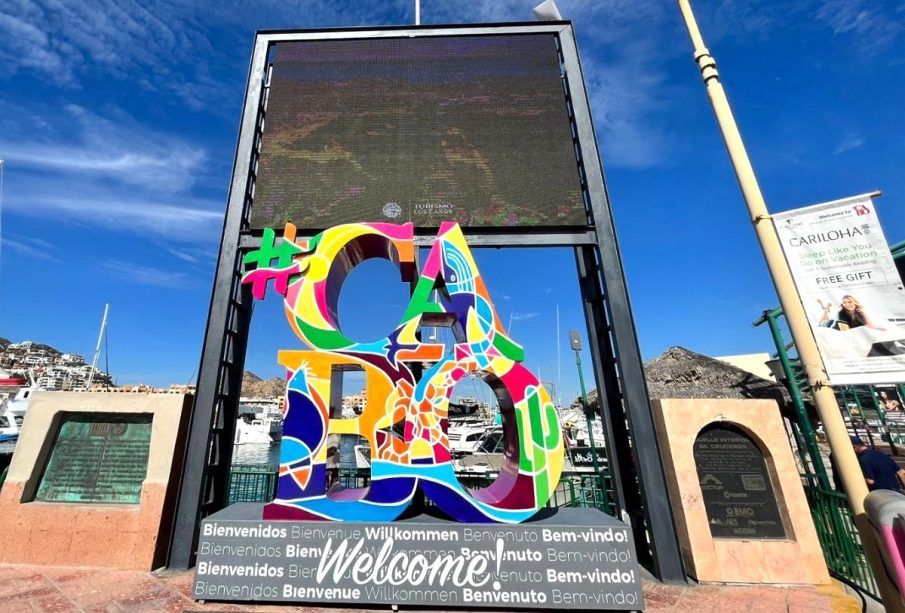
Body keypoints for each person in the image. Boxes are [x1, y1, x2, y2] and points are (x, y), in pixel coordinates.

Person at [819, 295, 885, 331]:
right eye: (844, 303)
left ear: (854, 302)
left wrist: (878, 328)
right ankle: (827, 308)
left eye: (849, 302)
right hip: (829, 325)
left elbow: (870, 325)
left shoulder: (859, 312)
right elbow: (845, 332)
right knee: (822, 322)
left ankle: (827, 308)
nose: (847, 304)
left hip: (838, 322)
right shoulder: (841, 314)